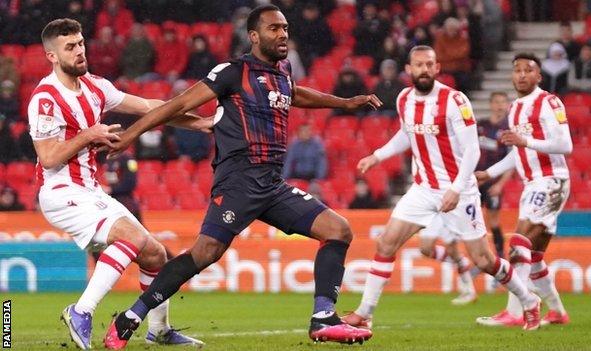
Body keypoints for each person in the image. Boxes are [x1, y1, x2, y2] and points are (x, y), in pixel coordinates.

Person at [103, 5, 382, 348]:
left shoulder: (282, 70)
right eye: (274, 29)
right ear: (254, 35)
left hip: (272, 183)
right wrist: (131, 135)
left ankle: (323, 318)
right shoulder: (233, 72)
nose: (282, 34)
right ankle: (129, 318)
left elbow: (295, 94)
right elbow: (176, 105)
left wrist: (344, 103)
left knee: (338, 230)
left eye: (285, 28)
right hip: (238, 179)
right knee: (205, 253)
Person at [28, 18, 212, 349]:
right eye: (70, 47)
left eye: (81, 43)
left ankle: (159, 330)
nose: (80, 51)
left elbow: (151, 108)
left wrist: (199, 123)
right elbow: (49, 157)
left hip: (89, 190)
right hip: (60, 192)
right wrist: (89, 134)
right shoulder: (45, 98)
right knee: (131, 237)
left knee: (155, 254)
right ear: (52, 56)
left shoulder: (97, 86)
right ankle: (81, 311)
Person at [341, 46, 541, 332]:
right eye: (418, 65)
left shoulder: (454, 100)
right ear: (409, 70)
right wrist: (378, 155)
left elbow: (472, 150)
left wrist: (457, 189)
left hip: (459, 190)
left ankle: (528, 301)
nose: (424, 69)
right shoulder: (404, 98)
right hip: (423, 189)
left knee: (483, 260)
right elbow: (406, 133)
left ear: (437, 68)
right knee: (386, 242)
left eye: (430, 65)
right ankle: (365, 312)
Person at [475, 53, 572, 328]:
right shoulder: (515, 108)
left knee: (518, 241)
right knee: (536, 256)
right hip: (533, 183)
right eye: (516, 70)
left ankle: (515, 311)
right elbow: (517, 152)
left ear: (538, 76)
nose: (521, 75)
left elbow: (565, 145)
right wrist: (489, 173)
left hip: (551, 180)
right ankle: (557, 312)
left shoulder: (549, 102)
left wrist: (525, 140)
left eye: (528, 70)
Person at [477, 92, 513, 259]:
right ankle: (478, 255)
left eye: (503, 102)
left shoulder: (508, 131)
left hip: (493, 183)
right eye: (497, 102)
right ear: (491, 104)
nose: (500, 106)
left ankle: (500, 256)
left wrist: (500, 185)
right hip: (476, 181)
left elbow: (512, 161)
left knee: (493, 221)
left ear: (507, 106)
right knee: (473, 221)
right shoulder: (480, 126)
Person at [418, 215, 477, 305]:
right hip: (429, 211)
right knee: (425, 249)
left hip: (447, 213)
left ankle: (469, 292)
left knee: (453, 251)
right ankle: (461, 262)